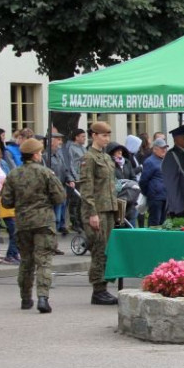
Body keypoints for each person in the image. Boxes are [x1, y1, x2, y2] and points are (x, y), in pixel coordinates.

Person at [0, 137, 65, 313]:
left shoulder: (13, 174)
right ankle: (43, 298)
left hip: (22, 223)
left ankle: (25, 298)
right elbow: (60, 197)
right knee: (43, 261)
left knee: (26, 261)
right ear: (36, 155)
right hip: (44, 222)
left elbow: (6, 202)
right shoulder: (46, 173)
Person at [78, 121, 118, 305]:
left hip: (108, 209)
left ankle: (104, 287)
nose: (106, 139)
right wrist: (92, 213)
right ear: (93, 135)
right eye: (103, 135)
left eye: (108, 135)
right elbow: (87, 189)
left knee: (107, 249)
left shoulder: (106, 158)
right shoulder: (89, 158)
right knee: (99, 249)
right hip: (97, 211)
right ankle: (98, 289)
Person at [163, 124, 184, 220]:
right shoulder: (172, 156)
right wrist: (179, 209)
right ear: (177, 139)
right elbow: (171, 185)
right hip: (182, 208)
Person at [61, 128, 87, 232]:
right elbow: (70, 163)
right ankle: (74, 222)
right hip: (76, 178)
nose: (84, 139)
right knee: (75, 202)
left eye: (85, 136)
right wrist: (74, 177)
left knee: (82, 202)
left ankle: (81, 222)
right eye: (82, 136)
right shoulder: (71, 148)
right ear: (76, 137)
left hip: (83, 177)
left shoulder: (83, 149)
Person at [139, 137, 168, 227]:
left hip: (165, 196)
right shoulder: (150, 162)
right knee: (154, 222)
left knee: (163, 222)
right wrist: (149, 193)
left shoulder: (164, 160)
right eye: (162, 148)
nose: (164, 150)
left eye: (165, 148)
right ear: (155, 149)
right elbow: (143, 181)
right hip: (155, 197)